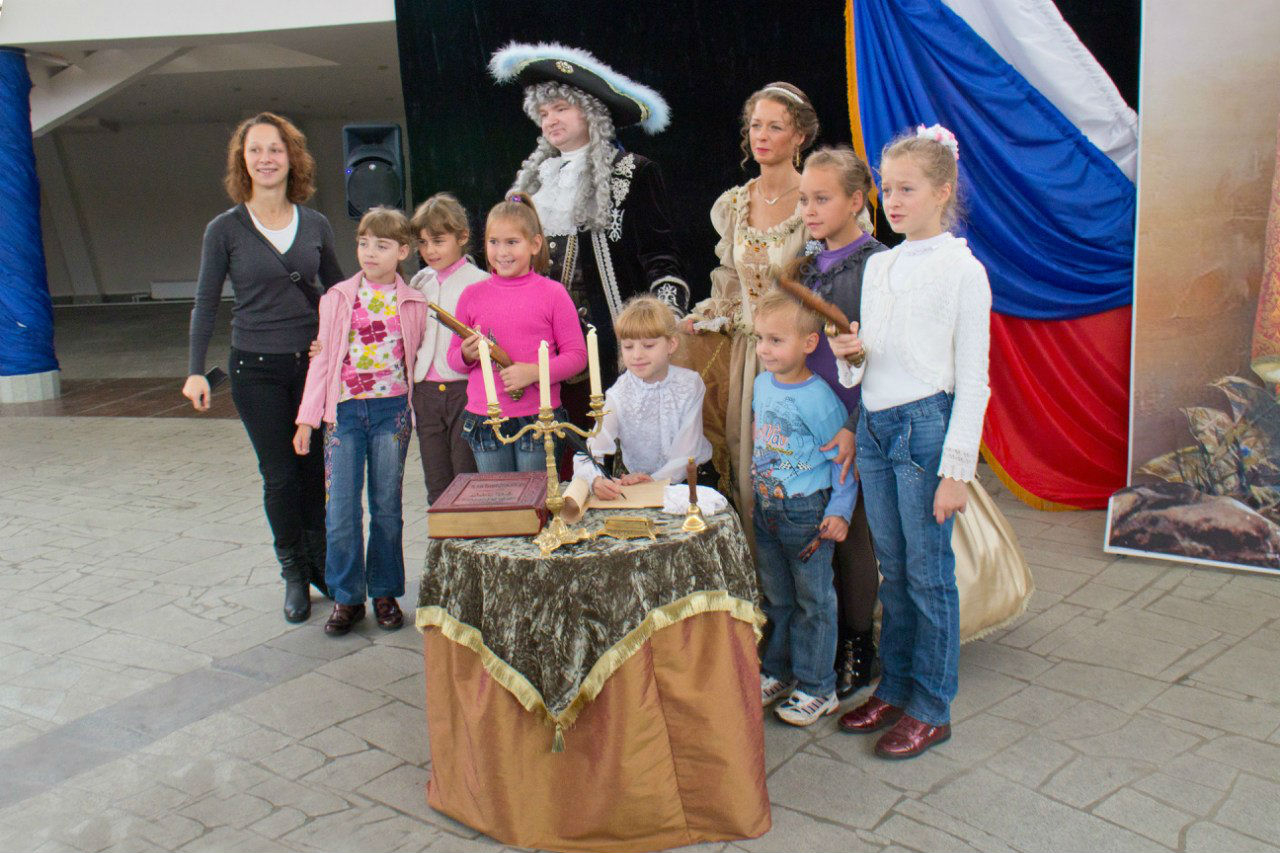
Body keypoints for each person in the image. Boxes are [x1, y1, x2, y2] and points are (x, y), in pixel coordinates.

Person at [833, 125, 991, 759]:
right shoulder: (882, 265)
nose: (892, 202)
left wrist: (957, 470)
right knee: (893, 570)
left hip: (926, 429)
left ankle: (932, 705)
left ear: (943, 191)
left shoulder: (963, 271)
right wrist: (851, 356)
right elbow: (871, 360)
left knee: (928, 576)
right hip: (876, 427)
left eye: (907, 189)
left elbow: (974, 380)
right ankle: (895, 687)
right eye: (887, 188)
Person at [182, 111, 344, 623]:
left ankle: (322, 565)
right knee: (279, 476)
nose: (266, 158)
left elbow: (339, 293)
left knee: (314, 473)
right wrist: (195, 369)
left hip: (311, 370)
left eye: (275, 149)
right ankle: (294, 572)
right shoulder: (224, 230)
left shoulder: (315, 224)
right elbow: (206, 302)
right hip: (255, 369)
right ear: (242, 160)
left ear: (292, 158)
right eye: (255, 150)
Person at [490, 42, 688, 397]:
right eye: (544, 113)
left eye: (561, 108)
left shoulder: (634, 172)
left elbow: (660, 255)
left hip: (608, 341)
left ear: (591, 112)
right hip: (537, 345)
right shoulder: (533, 181)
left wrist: (663, 321)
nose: (550, 120)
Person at [683, 82, 819, 523]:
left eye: (775, 127)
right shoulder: (735, 204)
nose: (761, 135)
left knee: (801, 467)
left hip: (802, 355)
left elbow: (832, 279)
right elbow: (728, 280)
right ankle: (759, 563)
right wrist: (706, 316)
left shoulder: (816, 200)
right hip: (749, 356)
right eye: (756, 125)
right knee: (750, 465)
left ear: (799, 136)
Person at [293, 207, 426, 636]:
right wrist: (307, 419)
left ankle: (385, 592)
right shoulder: (337, 297)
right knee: (341, 510)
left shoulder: (414, 302)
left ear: (402, 251)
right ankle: (347, 596)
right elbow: (323, 360)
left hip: (391, 411)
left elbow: (421, 355)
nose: (370, 252)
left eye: (382, 245)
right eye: (364, 243)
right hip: (345, 412)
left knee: (387, 507)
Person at [791, 146, 887, 697]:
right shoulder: (805, 263)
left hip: (854, 422)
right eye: (804, 199)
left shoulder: (878, 266)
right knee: (815, 526)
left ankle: (858, 642)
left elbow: (885, 359)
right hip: (809, 420)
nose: (809, 210)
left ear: (856, 201)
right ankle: (820, 636)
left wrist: (853, 423)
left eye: (821, 199)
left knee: (852, 534)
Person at [751, 288, 856, 727]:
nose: (764, 349)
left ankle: (818, 687)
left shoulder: (819, 398)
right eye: (760, 338)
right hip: (767, 508)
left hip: (806, 514)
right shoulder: (761, 384)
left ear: (809, 343)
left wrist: (841, 510)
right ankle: (779, 670)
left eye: (776, 340)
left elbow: (843, 461)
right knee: (778, 597)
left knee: (814, 601)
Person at [447, 194, 587, 472]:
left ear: (535, 244)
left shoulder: (553, 294)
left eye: (512, 242)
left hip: (539, 417)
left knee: (538, 497)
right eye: (493, 242)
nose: (502, 252)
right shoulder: (471, 295)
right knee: (500, 498)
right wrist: (465, 354)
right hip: (485, 419)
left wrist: (534, 372)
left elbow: (577, 357)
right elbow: (453, 359)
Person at [572, 296, 713, 497]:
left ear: (671, 344)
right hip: (636, 485)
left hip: (692, 480)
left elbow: (687, 452)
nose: (637, 355)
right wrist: (595, 479)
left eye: (648, 345)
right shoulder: (619, 394)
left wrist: (653, 480)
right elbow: (591, 450)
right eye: (628, 346)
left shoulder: (690, 385)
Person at [406, 193, 488, 503]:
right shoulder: (419, 283)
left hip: (465, 391)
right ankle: (440, 535)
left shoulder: (480, 282)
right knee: (436, 481)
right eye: (423, 243)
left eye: (438, 241)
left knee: (466, 479)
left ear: (462, 236)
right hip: (426, 391)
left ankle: (467, 534)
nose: (430, 250)